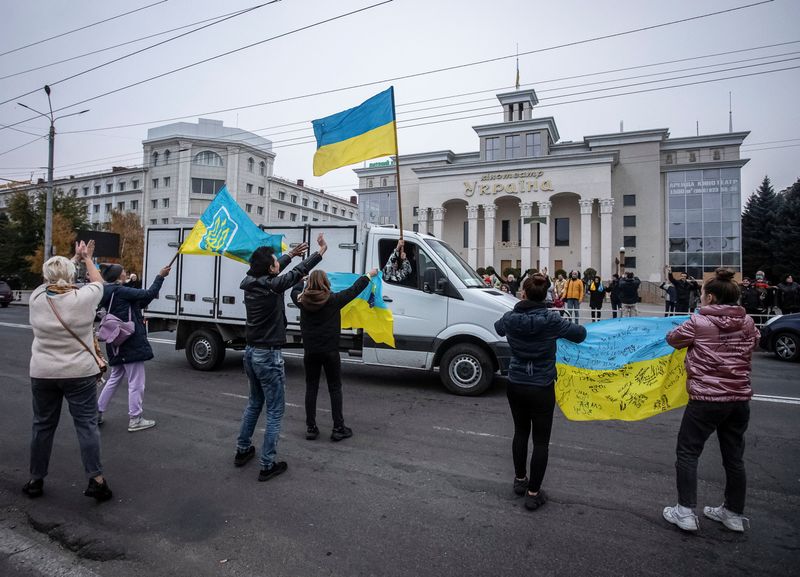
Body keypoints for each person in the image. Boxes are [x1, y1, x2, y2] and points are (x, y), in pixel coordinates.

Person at [663, 268, 760, 533]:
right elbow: (755, 343)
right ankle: (733, 514)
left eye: (704, 294)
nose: (702, 298)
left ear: (712, 298)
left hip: (706, 399)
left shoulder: (699, 323)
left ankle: (684, 512)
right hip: (739, 399)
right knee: (734, 458)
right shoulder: (749, 322)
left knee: (687, 452)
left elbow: (672, 339)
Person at [24, 241, 112, 502]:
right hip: (79, 373)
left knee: (42, 426)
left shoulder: (37, 297)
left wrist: (72, 258)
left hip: (43, 373)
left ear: (46, 277)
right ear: (72, 277)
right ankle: (96, 480)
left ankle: (35, 480)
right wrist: (87, 258)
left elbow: (54, 277)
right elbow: (98, 282)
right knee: (86, 426)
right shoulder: (83, 298)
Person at [234, 235, 326, 482]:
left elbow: (279, 271)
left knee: (254, 403)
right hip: (268, 355)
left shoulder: (252, 281)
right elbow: (295, 275)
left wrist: (291, 254)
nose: (278, 263)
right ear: (270, 269)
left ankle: (242, 450)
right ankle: (267, 464)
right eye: (275, 262)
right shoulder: (272, 285)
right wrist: (318, 254)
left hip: (251, 351)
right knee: (275, 411)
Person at [494, 274, 586, 511]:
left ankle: (519, 480)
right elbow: (580, 334)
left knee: (520, 433)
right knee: (541, 441)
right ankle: (533, 493)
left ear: (523, 293)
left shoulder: (510, 318)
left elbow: (498, 328)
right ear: (545, 295)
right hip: (542, 385)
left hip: (516, 382)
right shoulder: (552, 320)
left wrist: (515, 309)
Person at [291, 268, 378, 441]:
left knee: (311, 387)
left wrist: (301, 280)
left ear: (309, 283)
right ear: (326, 283)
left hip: (310, 352)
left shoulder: (302, 300)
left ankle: (311, 428)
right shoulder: (333, 300)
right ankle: (338, 428)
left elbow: (294, 291)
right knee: (334, 388)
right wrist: (369, 275)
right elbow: (354, 290)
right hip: (330, 352)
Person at [96, 262, 171, 432]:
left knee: (115, 378)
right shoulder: (121, 291)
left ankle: (97, 413)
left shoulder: (106, 291)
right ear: (117, 276)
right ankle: (135, 418)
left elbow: (140, 300)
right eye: (123, 271)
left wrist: (130, 282)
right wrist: (160, 277)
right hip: (129, 340)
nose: (126, 273)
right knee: (136, 382)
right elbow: (148, 293)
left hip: (115, 341)